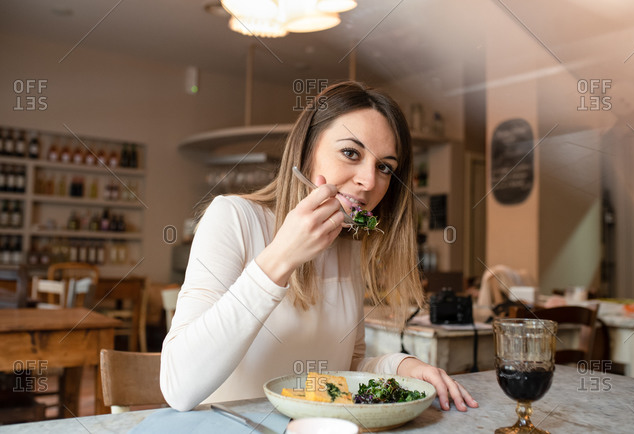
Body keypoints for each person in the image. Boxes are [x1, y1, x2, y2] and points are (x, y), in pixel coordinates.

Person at [160, 81, 478, 413]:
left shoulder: (348, 245)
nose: (369, 181)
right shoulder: (233, 218)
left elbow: (342, 369)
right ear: (307, 149)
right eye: (351, 153)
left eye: (385, 167)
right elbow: (179, 387)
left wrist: (401, 367)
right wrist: (281, 257)